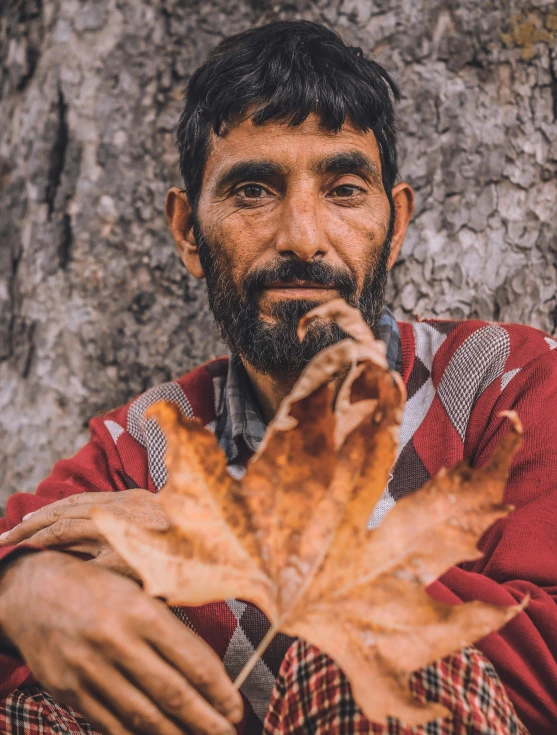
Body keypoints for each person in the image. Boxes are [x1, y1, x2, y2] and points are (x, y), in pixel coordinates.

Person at [0, 19, 556, 735]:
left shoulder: (502, 383)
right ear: (186, 232)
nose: (301, 235)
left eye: (345, 189)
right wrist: (24, 589)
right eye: (253, 190)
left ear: (398, 224)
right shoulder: (146, 447)